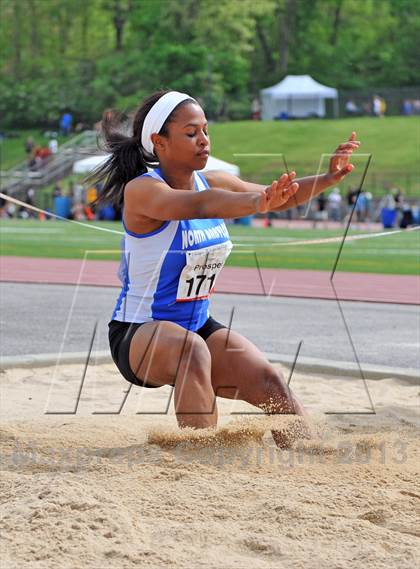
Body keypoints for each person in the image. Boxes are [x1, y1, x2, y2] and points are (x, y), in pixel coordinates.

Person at [88, 89, 359, 447]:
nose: (204, 140)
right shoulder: (143, 192)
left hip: (198, 325)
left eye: (206, 130)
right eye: (191, 133)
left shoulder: (214, 180)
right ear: (160, 142)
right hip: (137, 333)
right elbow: (201, 205)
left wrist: (328, 179)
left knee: (272, 384)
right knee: (192, 351)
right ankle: (201, 459)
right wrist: (256, 202)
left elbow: (281, 196)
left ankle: (310, 458)